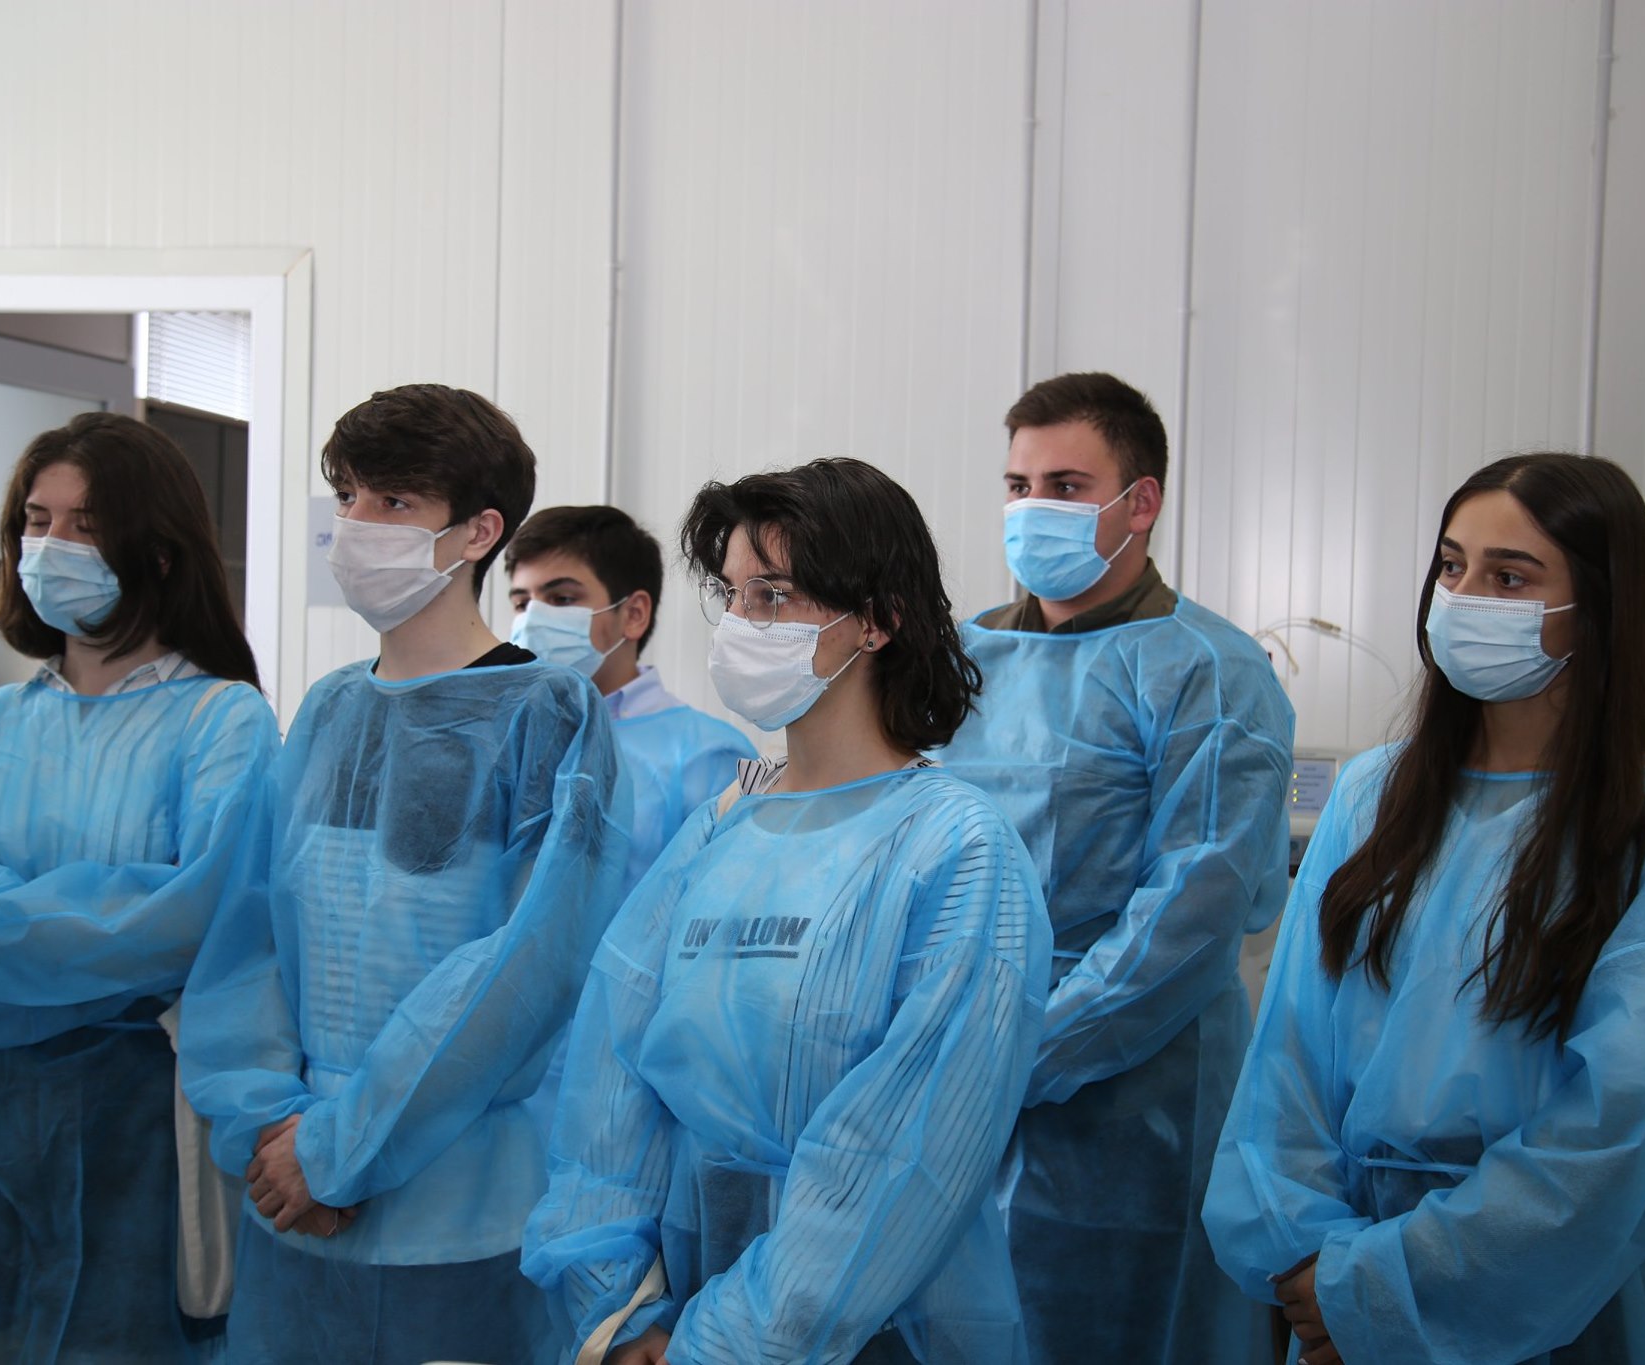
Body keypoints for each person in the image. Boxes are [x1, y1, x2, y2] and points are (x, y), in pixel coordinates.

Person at [1202, 453, 1645, 1364]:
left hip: (1547, 1297)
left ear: (1599, 607)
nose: (1462, 598)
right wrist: (1315, 1260)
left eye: (1509, 577)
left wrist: (1389, 1286)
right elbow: (1287, 1065)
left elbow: (1613, 1132)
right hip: (1335, 1285)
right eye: (1452, 566)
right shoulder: (1371, 796)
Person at [523, 458, 1051, 1365]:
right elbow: (614, 1075)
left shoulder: (958, 848)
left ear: (878, 619)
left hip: (877, 1327)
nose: (741, 624)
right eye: (732, 596)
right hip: (672, 1305)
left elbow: (902, 1152)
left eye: (773, 595)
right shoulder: (721, 826)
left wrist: (726, 1345)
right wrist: (624, 1306)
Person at [178, 384, 632, 1365]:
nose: (356, 525)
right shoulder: (328, 711)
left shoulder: (548, 716)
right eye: (347, 496)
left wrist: (338, 1150)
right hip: (288, 1194)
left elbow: (521, 973)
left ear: (478, 532)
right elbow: (248, 942)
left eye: (393, 503)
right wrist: (270, 1125)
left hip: (453, 1208)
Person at [0, 413, 277, 1363]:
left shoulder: (224, 722)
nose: (51, 546)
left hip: (140, 1114)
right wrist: (76, 942)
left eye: (86, 524)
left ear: (157, 551)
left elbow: (190, 920)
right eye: (36, 522)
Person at [937, 372, 1294, 1365]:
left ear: (1140, 504)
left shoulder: (1208, 672)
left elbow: (1189, 916)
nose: (1031, 510)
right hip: (951, 1078)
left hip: (1133, 1107)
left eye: (1064, 486)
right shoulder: (956, 658)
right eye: (1017, 486)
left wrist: (1014, 1057)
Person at [506, 505, 758, 890]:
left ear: (634, 614)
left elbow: (722, 902)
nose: (532, 621)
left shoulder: (708, 755)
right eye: (522, 604)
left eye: (561, 599)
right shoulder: (512, 738)